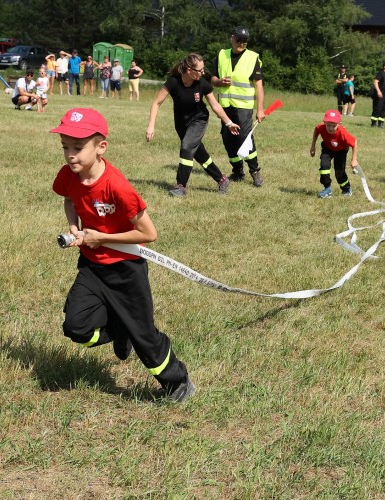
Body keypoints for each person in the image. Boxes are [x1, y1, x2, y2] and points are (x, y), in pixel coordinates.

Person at [51, 108, 195, 403]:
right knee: (75, 327)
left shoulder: (117, 186)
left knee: (144, 337)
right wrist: (73, 225)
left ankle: (177, 382)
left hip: (126, 270)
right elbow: (68, 199)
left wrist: (101, 237)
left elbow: (148, 234)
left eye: (78, 148)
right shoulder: (69, 175)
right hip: (92, 267)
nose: (70, 155)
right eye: (65, 147)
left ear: (100, 147)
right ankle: (120, 329)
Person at [146, 53, 239, 197]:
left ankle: (181, 186)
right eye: (199, 70)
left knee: (187, 147)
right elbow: (156, 103)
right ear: (189, 70)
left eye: (203, 69)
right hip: (181, 124)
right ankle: (222, 179)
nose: (203, 73)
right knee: (199, 154)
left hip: (199, 119)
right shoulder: (173, 82)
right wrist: (151, 126)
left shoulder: (202, 83)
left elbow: (215, 105)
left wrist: (229, 122)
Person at [211, 26, 265, 187]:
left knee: (244, 138)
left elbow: (259, 86)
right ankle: (237, 171)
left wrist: (260, 109)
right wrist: (219, 82)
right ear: (232, 38)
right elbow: (212, 78)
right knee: (228, 138)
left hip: (243, 106)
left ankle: (255, 171)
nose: (241, 43)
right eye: (238, 40)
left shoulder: (252, 57)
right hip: (225, 105)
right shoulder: (222, 55)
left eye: (244, 41)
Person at [309, 109, 358, 198]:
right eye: (328, 125)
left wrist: (354, 159)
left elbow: (354, 143)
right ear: (324, 122)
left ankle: (346, 189)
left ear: (339, 123)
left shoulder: (342, 133)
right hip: (327, 148)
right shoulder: (321, 127)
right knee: (324, 166)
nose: (331, 128)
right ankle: (327, 189)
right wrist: (313, 146)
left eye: (333, 126)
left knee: (339, 172)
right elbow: (316, 131)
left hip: (341, 151)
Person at [371, 61, 385, 127]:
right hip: (380, 93)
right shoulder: (380, 73)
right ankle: (373, 123)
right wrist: (378, 91)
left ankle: (381, 123)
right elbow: (375, 82)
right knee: (377, 107)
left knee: (384, 108)